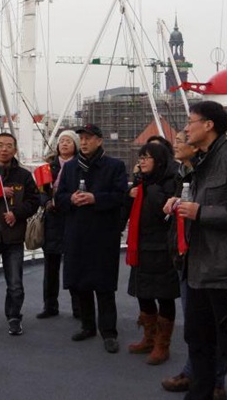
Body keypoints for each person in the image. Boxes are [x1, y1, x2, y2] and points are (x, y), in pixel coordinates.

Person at [163, 101, 227, 400]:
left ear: (209, 125)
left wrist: (201, 212)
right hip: (197, 268)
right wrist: (179, 204)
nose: (185, 128)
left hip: (225, 273)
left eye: (190, 121)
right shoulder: (202, 162)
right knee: (198, 344)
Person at [162, 130, 227, 400]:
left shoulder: (211, 173)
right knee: (195, 324)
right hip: (184, 255)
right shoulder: (182, 174)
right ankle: (195, 372)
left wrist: (196, 211)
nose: (176, 145)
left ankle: (216, 381)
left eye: (181, 140)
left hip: (207, 258)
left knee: (211, 325)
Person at [56, 123, 128, 353]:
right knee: (80, 283)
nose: (84, 142)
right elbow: (59, 198)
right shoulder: (69, 168)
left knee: (104, 286)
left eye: (88, 138)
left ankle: (109, 331)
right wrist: (71, 200)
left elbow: (120, 196)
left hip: (103, 234)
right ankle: (87, 326)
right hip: (76, 233)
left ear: (99, 140)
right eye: (82, 138)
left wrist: (95, 198)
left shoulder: (115, 166)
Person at [0, 132, 40, 337]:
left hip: (13, 237)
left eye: (9, 146)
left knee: (15, 284)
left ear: (15, 150)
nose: (4, 149)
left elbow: (34, 201)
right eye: (0, 145)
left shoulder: (23, 176)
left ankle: (14, 317)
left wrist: (17, 214)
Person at [123, 142, 180, 365]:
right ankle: (149, 337)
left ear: (159, 160)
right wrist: (132, 192)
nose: (142, 161)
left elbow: (163, 212)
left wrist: (149, 188)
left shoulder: (169, 183)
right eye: (141, 157)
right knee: (143, 293)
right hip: (141, 245)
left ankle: (162, 344)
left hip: (162, 248)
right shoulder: (141, 183)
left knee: (164, 296)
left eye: (147, 157)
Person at [37, 130, 82, 319]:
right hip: (53, 220)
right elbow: (39, 190)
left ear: (76, 146)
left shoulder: (81, 166)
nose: (64, 144)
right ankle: (50, 305)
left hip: (73, 218)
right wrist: (47, 202)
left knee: (75, 266)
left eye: (69, 141)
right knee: (51, 267)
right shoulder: (48, 167)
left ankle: (78, 307)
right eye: (62, 141)